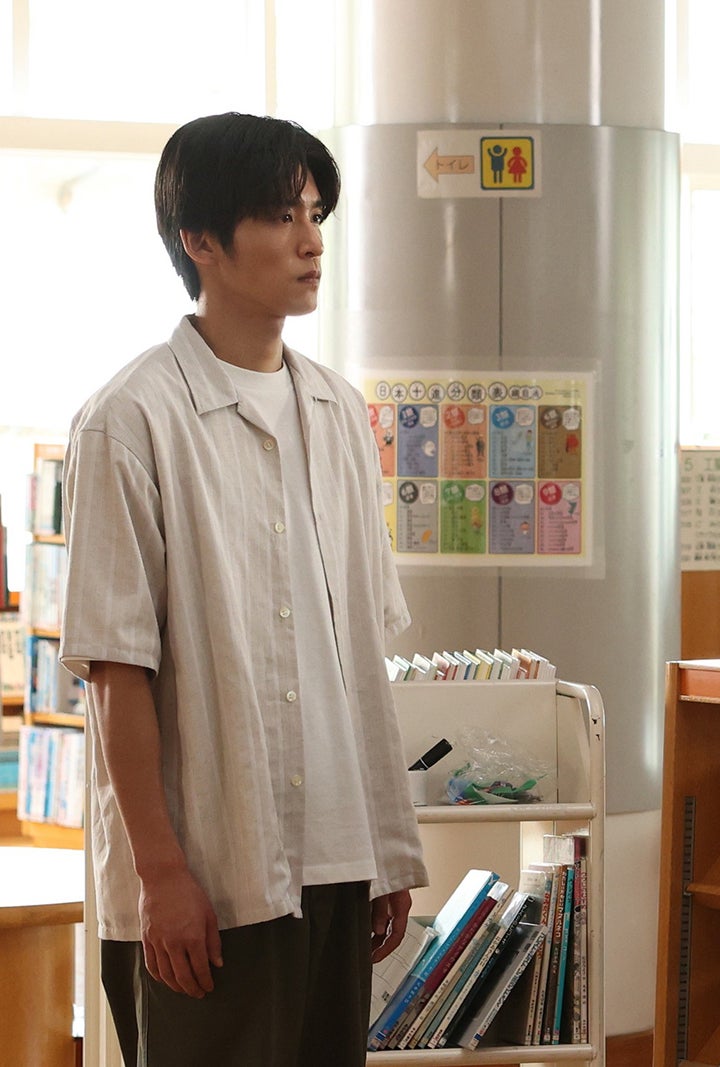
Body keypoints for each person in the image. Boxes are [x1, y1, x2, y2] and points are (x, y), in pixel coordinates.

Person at [59, 112, 427, 1066]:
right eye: (280, 215)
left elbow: (358, 655)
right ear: (201, 241)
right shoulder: (129, 420)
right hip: (211, 872)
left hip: (341, 860)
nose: (311, 240)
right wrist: (161, 874)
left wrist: (384, 843)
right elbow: (116, 672)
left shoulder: (340, 413)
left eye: (315, 214)